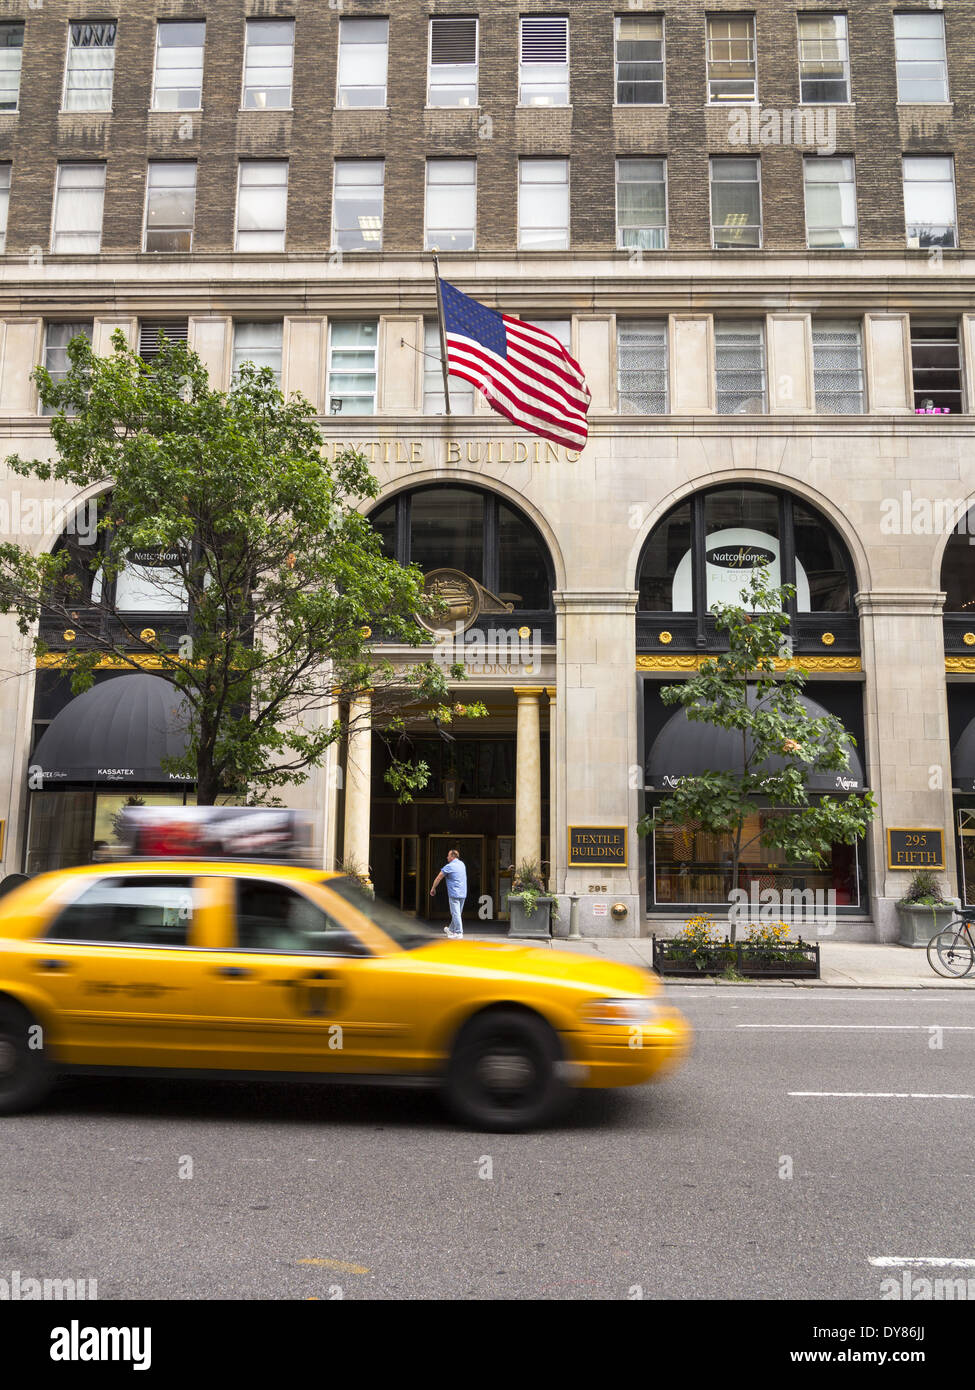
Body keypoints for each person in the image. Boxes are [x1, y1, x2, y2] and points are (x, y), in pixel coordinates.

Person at [430, 849, 467, 938]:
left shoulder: (449, 866)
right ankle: (451, 929)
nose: (447, 857)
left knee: (455, 913)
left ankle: (458, 932)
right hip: (463, 893)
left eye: (448, 855)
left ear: (453, 856)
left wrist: (433, 888)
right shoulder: (462, 864)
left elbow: (439, 877)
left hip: (454, 893)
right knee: (458, 913)